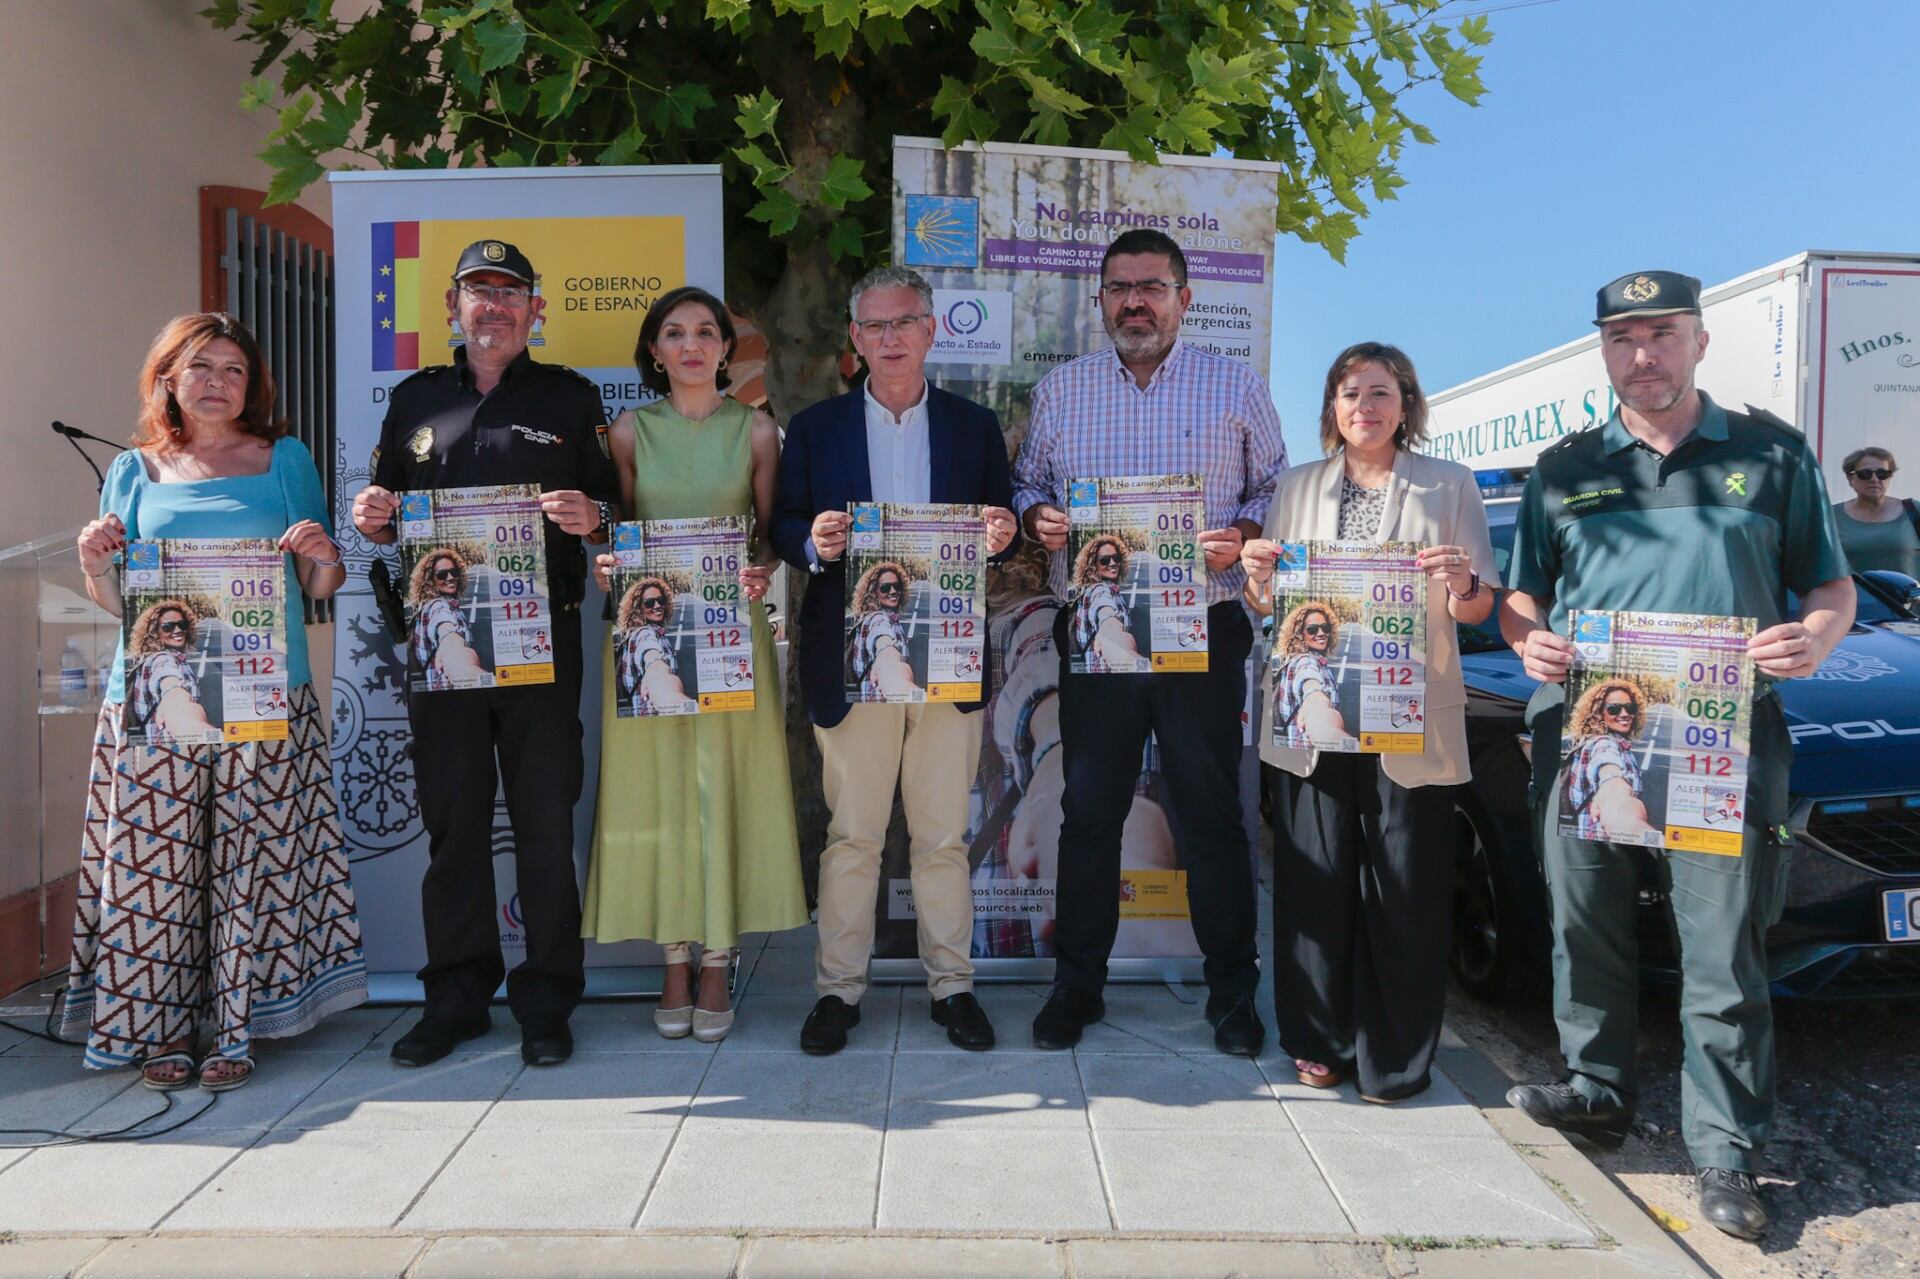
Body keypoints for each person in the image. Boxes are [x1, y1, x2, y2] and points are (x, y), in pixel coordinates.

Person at [1499, 271, 1855, 1240]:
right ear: (1604, 351)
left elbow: (1831, 586)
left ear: (1700, 341)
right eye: (1623, 339)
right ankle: (1597, 1090)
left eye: (1661, 336)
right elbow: (1522, 597)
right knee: (1585, 919)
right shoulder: (1565, 466)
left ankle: (1727, 1151)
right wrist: (1526, 637)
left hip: (1720, 735)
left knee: (1723, 946)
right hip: (1587, 730)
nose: (1642, 355)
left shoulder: (1772, 455)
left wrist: (1814, 639)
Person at [66, 312, 363, 1092]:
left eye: (233, 369)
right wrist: (93, 564)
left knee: (246, 861)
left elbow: (321, 584)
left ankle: (235, 1027)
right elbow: (114, 597)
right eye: (201, 366)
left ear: (251, 384)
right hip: (156, 701)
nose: (218, 382)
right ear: (167, 377)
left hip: (264, 690)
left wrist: (321, 556)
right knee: (157, 869)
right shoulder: (133, 469)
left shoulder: (284, 458)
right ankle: (160, 1026)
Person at [1013, 228, 1284, 1056]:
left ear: (1183, 298)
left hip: (1202, 625)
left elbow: (1275, 485)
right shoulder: (1063, 390)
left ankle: (1233, 992)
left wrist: (1240, 531)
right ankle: (1077, 986)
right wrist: (1038, 519)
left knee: (1209, 813)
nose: (1135, 301)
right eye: (1120, 288)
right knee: (1088, 808)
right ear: (1100, 300)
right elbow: (1029, 481)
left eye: (1152, 287)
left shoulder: (1235, 384)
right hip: (1098, 629)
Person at [352, 240, 619, 1069]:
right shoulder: (415, 399)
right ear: (452, 307)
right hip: (442, 645)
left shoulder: (572, 398)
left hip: (543, 642)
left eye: (511, 292)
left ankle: (546, 1002)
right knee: (454, 824)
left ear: (536, 309)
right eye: (479, 291)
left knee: (544, 824)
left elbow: (619, 510)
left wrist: (595, 516)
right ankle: (457, 999)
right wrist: (373, 516)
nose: (494, 305)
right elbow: (386, 509)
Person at [1242, 341, 1497, 1102]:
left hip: (1407, 715)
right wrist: (1258, 580)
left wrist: (1462, 581)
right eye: (1351, 394)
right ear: (1332, 408)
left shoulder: (1448, 484)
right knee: (1312, 880)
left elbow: (1477, 605)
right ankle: (1316, 1038)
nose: (1366, 407)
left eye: (1381, 393)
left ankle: (1396, 1056)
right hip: (1312, 712)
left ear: (1406, 404)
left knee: (1406, 887)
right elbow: (1271, 605)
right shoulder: (1296, 486)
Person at [773, 265, 1018, 1055]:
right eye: (873, 326)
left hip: (945, 655)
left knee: (943, 837)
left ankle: (953, 987)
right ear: (855, 337)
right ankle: (839, 992)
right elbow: (781, 525)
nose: (889, 338)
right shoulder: (814, 428)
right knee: (854, 835)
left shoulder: (973, 426)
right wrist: (813, 541)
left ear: (930, 329)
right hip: (852, 660)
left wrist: (1001, 534)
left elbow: (1001, 522)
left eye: (903, 322)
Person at [583, 284, 806, 1043]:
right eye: (674, 333)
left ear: (723, 346)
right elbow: (613, 530)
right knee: (659, 792)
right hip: (647, 636)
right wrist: (607, 562)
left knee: (724, 787)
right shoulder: (626, 431)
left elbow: (771, 533)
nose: (690, 344)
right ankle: (672, 956)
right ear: (653, 349)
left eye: (706, 331)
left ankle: (718, 956)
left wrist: (761, 567)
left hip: (728, 632)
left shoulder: (757, 431)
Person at [1562, 678, 1656, 842]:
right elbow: (1608, 770)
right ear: (1598, 713)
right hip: (1603, 846)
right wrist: (1615, 793)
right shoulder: (1603, 743)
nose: (1624, 714)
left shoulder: (1611, 743)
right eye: (1614, 709)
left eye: (1629, 708)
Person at [125, 600, 219, 743]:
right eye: (167, 627)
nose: (177, 630)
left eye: (182, 625)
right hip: (173, 750)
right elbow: (171, 687)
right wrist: (199, 729)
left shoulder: (158, 658)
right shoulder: (162, 659)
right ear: (154, 632)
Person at [1833, 446, 1920, 577]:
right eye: (1865, 474)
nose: (1874, 479)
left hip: (1905, 597)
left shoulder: (1913, 511)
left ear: (1890, 478)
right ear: (1850, 479)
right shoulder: (1830, 516)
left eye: (1882, 474)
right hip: (1851, 597)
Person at [1270, 601, 1347, 746]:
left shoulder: (1308, 660)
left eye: (1325, 627)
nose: (1321, 633)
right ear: (1300, 634)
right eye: (1312, 629)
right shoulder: (1305, 661)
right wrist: (1317, 709)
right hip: (1311, 752)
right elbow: (1310, 686)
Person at [614, 576, 694, 715]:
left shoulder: (644, 632)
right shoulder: (644, 634)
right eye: (649, 603)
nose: (657, 606)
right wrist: (657, 674)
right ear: (637, 608)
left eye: (660, 600)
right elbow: (653, 661)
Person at [407, 548, 485, 688]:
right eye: (442, 575)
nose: (450, 578)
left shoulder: (428, 606)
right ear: (429, 580)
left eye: (453, 572)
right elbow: (448, 634)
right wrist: (464, 668)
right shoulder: (439, 607)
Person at [1067, 535, 1144, 671]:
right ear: (1093, 565)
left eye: (1116, 558)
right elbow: (1106, 615)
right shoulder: (1099, 590)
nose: (1113, 563)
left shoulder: (1109, 590)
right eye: (1105, 560)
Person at [846, 560, 920, 698]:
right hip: (881, 702)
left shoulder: (884, 617)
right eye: (885, 588)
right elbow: (884, 644)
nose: (893, 591)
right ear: (873, 592)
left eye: (896, 586)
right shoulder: (878, 618)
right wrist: (889, 663)